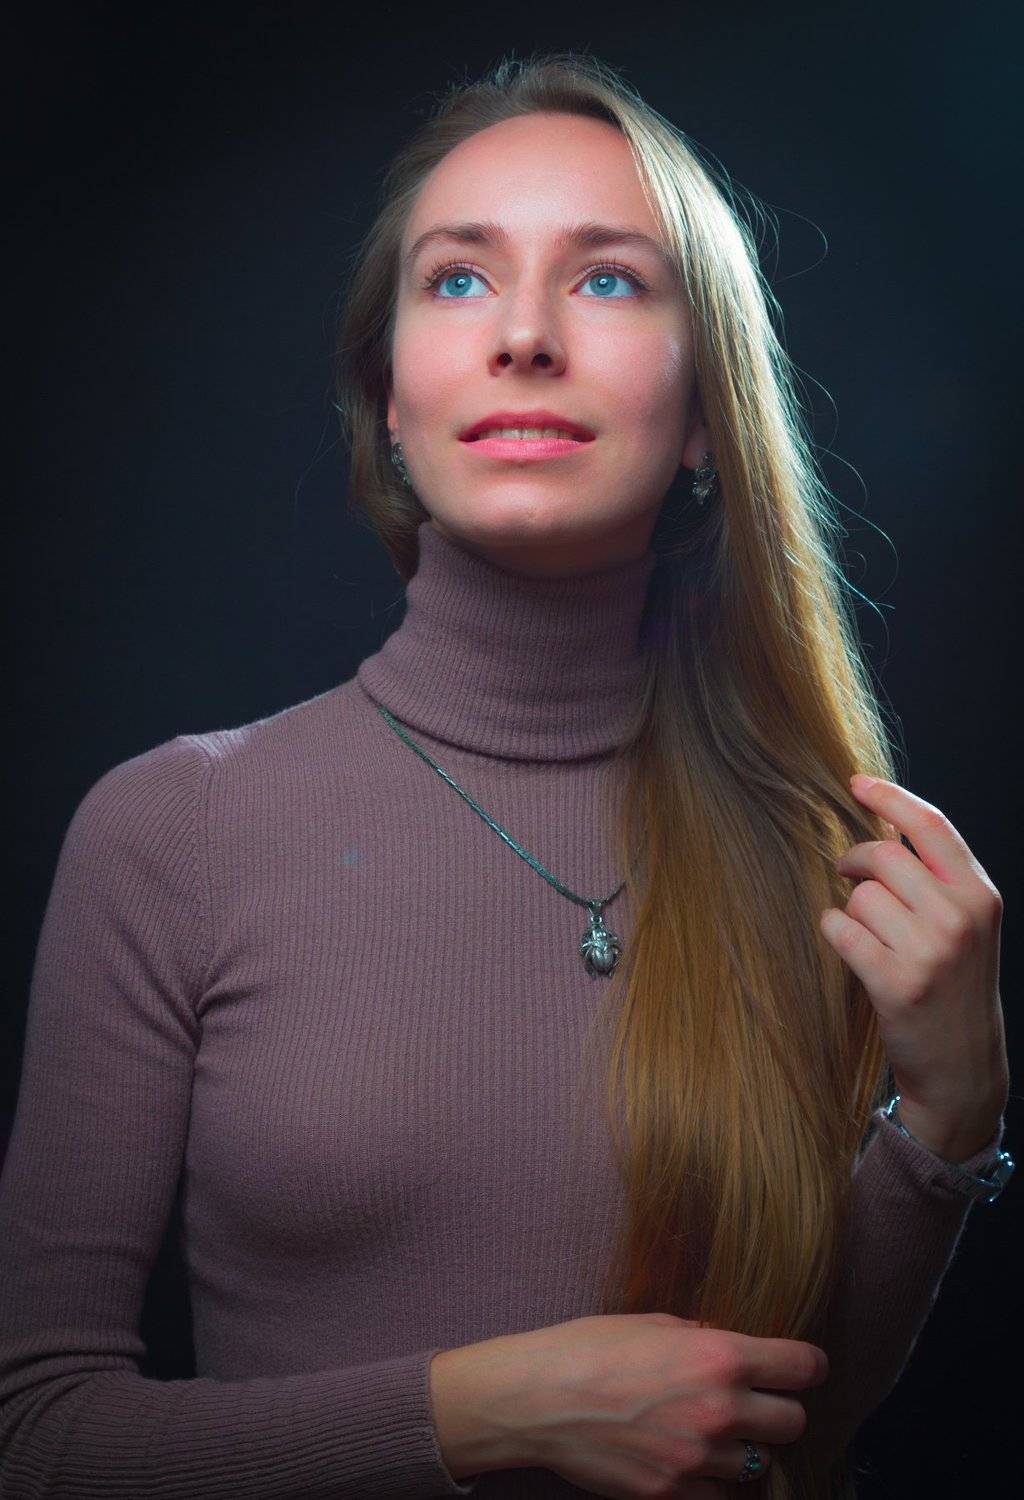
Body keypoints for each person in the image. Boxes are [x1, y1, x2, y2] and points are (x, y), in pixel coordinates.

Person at [0, 49, 1011, 1500]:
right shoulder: (175, 830)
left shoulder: (830, 862)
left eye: (608, 280)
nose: (524, 335)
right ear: (388, 400)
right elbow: (38, 1439)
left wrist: (950, 1117)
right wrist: (478, 1412)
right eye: (460, 279)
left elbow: (786, 1437)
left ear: (709, 412)